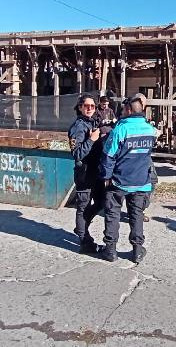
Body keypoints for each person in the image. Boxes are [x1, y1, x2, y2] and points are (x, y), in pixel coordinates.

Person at [99, 95, 158, 263]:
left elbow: (109, 155)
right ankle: (137, 250)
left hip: (119, 180)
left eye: (124, 109)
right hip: (141, 181)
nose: (122, 112)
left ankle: (110, 250)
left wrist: (106, 176)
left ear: (129, 110)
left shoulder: (121, 129)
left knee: (112, 213)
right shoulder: (149, 129)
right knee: (136, 215)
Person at [67, 94, 105, 254]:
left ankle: (81, 226)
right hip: (84, 173)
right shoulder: (78, 127)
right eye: (86, 106)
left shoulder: (91, 123)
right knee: (83, 206)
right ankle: (85, 241)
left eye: (93, 106)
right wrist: (92, 140)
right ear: (80, 107)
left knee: (102, 202)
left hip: (95, 172)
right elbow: (77, 153)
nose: (90, 109)